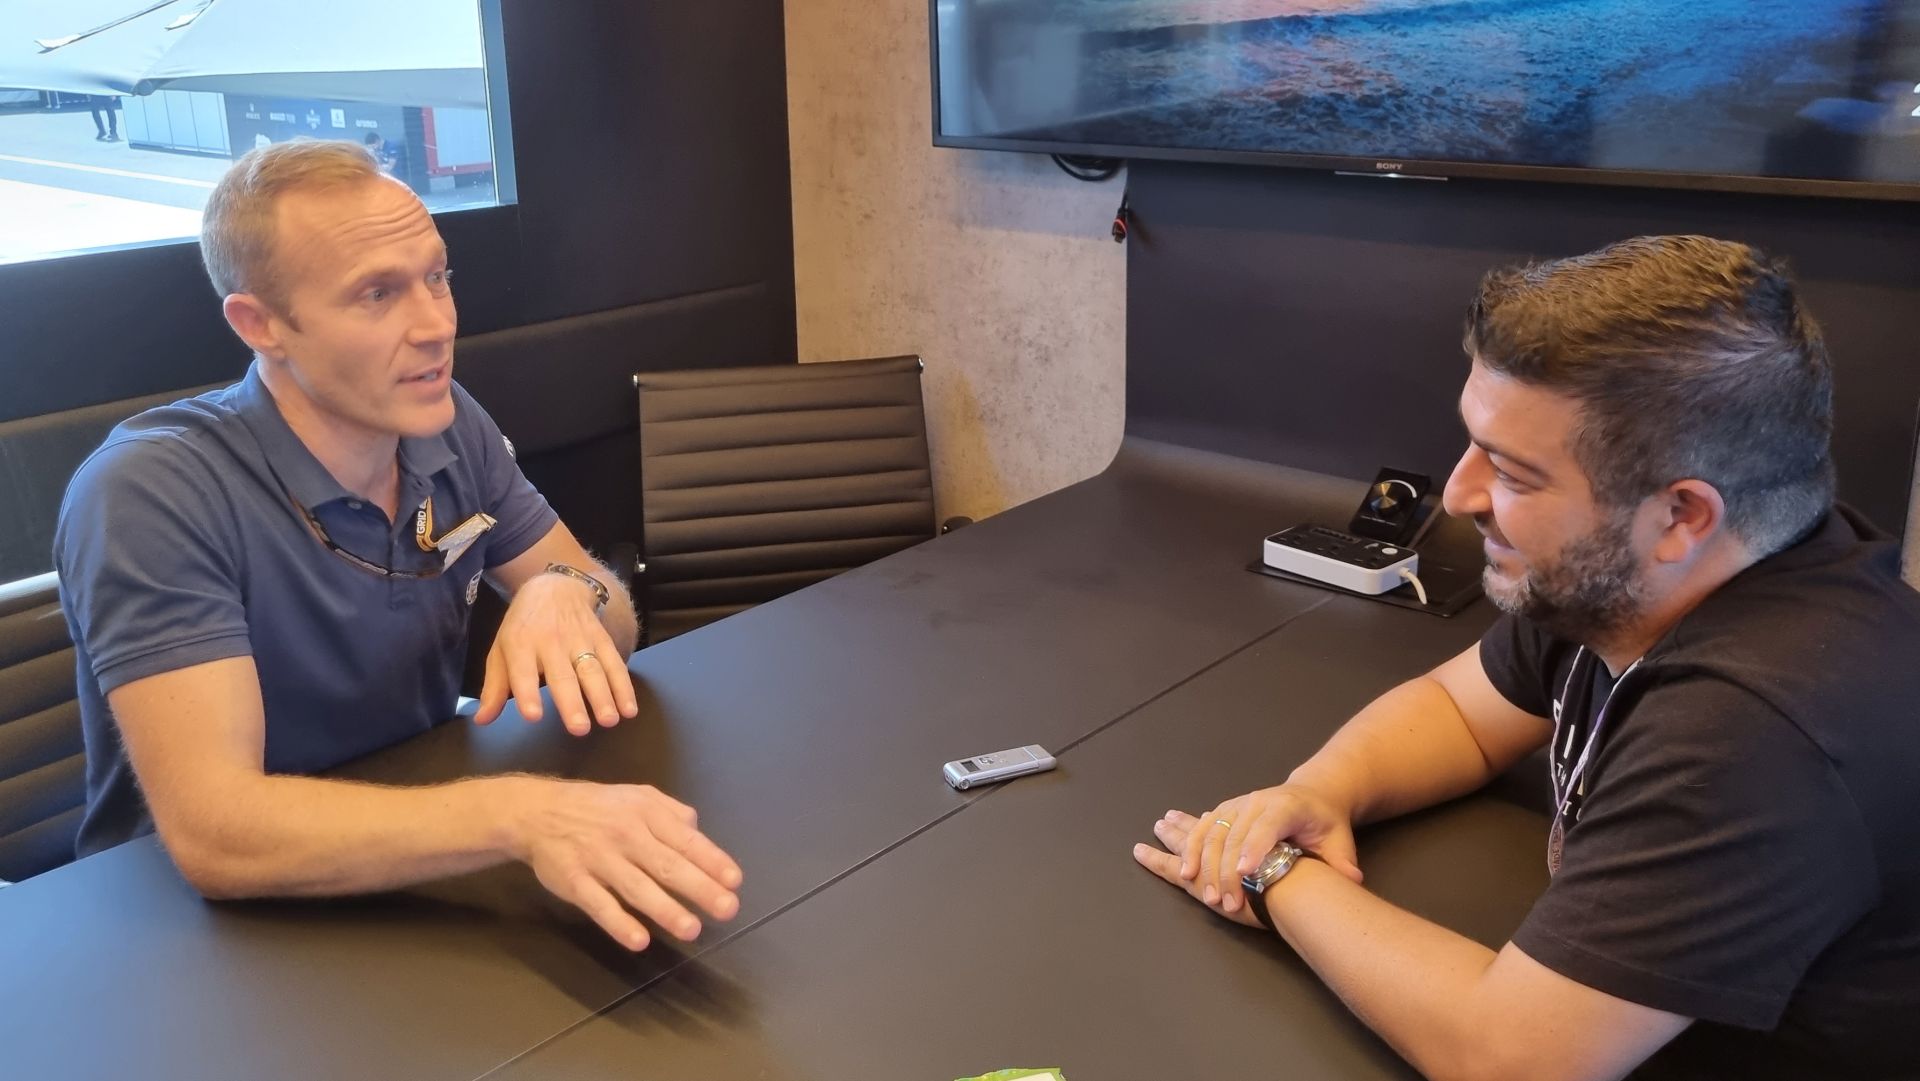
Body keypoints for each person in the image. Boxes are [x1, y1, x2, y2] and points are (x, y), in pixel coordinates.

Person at [1133, 236, 1919, 1080]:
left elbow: (1506, 1058)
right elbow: (1461, 711)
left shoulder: (1759, 731)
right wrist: (1319, 790)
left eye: (1511, 473)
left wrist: (1274, 872)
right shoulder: (1631, 573)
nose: (1458, 493)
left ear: (1682, 515)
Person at [54, 140, 741, 952]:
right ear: (260, 324)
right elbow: (217, 833)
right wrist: (520, 813)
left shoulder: (443, 420)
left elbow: (612, 619)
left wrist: (567, 590)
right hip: (189, 937)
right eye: (377, 293)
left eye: (437, 277)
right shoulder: (151, 490)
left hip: (412, 860)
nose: (436, 325)